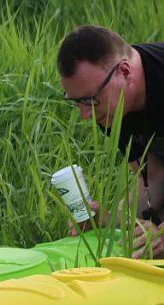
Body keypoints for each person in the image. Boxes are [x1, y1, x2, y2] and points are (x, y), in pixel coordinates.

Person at [58, 25, 164, 258]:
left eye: (90, 100)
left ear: (124, 71)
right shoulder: (111, 108)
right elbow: (155, 178)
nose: (85, 115)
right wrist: (109, 219)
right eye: (76, 102)